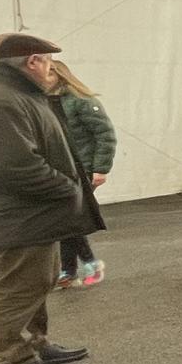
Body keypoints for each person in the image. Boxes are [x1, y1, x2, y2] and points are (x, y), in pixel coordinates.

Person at [0, 33, 96, 364]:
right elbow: (11, 167)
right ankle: (13, 361)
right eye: (48, 61)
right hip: (19, 215)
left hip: (32, 215)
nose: (52, 68)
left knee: (39, 279)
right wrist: (67, 187)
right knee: (17, 287)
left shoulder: (17, 96)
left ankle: (36, 344)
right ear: (33, 62)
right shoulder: (1, 103)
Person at [45, 60, 114, 288]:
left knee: (68, 219)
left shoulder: (81, 101)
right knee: (67, 219)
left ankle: (79, 267)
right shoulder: (44, 102)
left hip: (81, 169)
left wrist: (101, 168)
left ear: (60, 75)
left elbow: (104, 134)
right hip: (59, 170)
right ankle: (74, 269)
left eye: (50, 73)